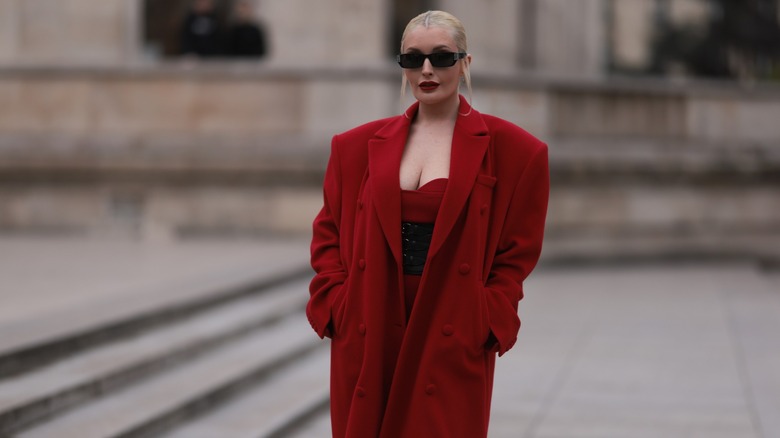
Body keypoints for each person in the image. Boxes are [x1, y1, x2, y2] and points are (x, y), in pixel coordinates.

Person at [306, 10, 549, 438]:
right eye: (412, 59)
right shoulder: (353, 147)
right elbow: (328, 233)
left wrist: (488, 315)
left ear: (465, 63)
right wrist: (336, 302)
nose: (427, 70)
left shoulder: (517, 151)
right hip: (370, 324)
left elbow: (518, 252)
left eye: (441, 57)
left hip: (450, 324)